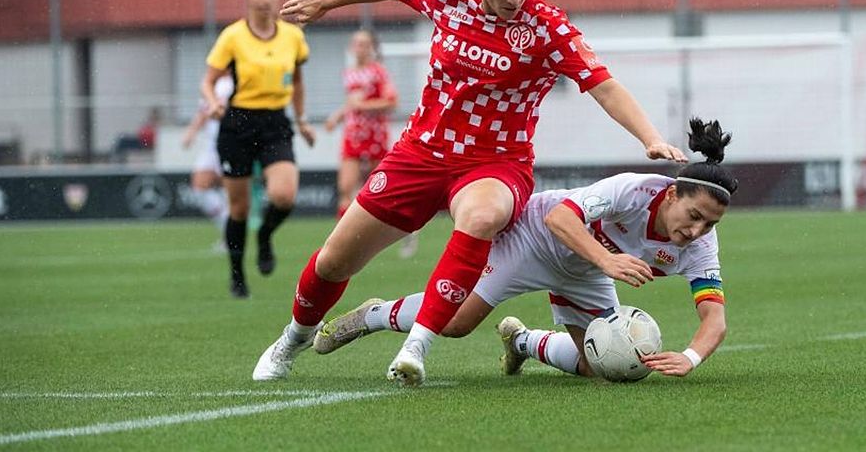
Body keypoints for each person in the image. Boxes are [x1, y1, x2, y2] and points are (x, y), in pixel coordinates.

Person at [252, 0, 686, 386]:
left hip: (495, 164)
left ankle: (416, 346)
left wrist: (651, 137)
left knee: (482, 216)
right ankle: (292, 339)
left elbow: (603, 85)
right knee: (334, 260)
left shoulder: (547, 27)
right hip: (420, 153)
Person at [314, 118, 735, 380]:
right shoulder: (634, 190)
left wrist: (690, 358)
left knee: (599, 366)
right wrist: (607, 260)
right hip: (533, 238)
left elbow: (714, 319)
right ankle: (371, 315)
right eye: (694, 215)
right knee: (458, 322)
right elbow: (560, 220)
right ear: (674, 193)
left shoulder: (700, 247)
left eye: (710, 224)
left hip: (582, 271)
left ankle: (522, 342)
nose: (698, 230)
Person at [200, 0, 316, 299]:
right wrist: (212, 103)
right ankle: (237, 274)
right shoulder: (233, 36)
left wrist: (303, 119)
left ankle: (265, 236)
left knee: (284, 195)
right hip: (237, 123)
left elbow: (296, 82)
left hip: (275, 124)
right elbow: (208, 80)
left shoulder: (292, 37)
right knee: (238, 208)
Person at [324, 29, 418, 259]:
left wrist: (363, 106)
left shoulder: (379, 72)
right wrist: (337, 116)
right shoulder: (348, 73)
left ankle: (407, 230)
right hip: (353, 135)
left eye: (365, 44)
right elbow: (351, 102)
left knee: (385, 189)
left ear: (372, 48)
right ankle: (342, 243)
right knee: (346, 188)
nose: (360, 48)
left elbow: (391, 101)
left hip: (374, 135)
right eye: (356, 43)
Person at [182, 73, 235, 248]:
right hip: (212, 145)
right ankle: (228, 231)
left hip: (229, 143)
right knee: (200, 187)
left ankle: (231, 236)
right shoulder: (212, 83)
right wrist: (191, 133)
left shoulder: (232, 84)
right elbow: (204, 112)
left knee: (231, 192)